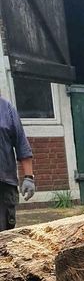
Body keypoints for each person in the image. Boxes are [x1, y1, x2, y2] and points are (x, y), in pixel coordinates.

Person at [0, 95, 35, 231]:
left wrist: (29, 178)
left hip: (3, 187)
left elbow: (21, 144)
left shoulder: (6, 109)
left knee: (4, 239)